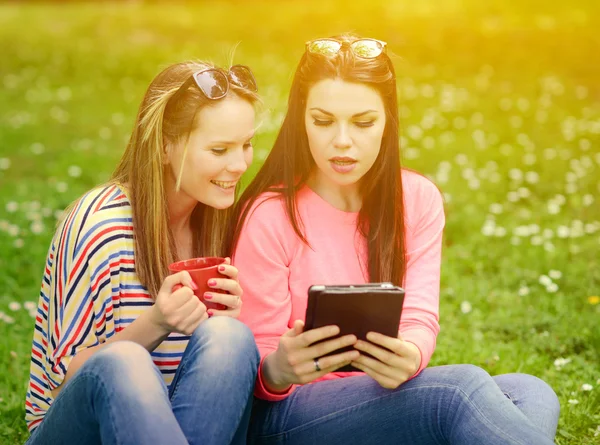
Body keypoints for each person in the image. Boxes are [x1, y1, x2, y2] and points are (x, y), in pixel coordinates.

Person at [228, 35, 560, 444]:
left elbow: (419, 318)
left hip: (378, 398)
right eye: (323, 120)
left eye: (363, 122)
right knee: (459, 393)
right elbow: (254, 362)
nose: (343, 140)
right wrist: (280, 367)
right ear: (301, 120)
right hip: (289, 415)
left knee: (529, 392)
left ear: (388, 120)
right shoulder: (269, 214)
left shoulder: (417, 200)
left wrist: (412, 354)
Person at [25, 61, 261, 445]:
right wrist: (156, 322)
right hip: (82, 432)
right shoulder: (99, 226)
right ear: (165, 145)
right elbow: (64, 386)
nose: (239, 165)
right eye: (220, 149)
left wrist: (230, 324)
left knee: (230, 338)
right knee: (125, 361)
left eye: (246, 144)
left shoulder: (224, 223)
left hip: (184, 428)